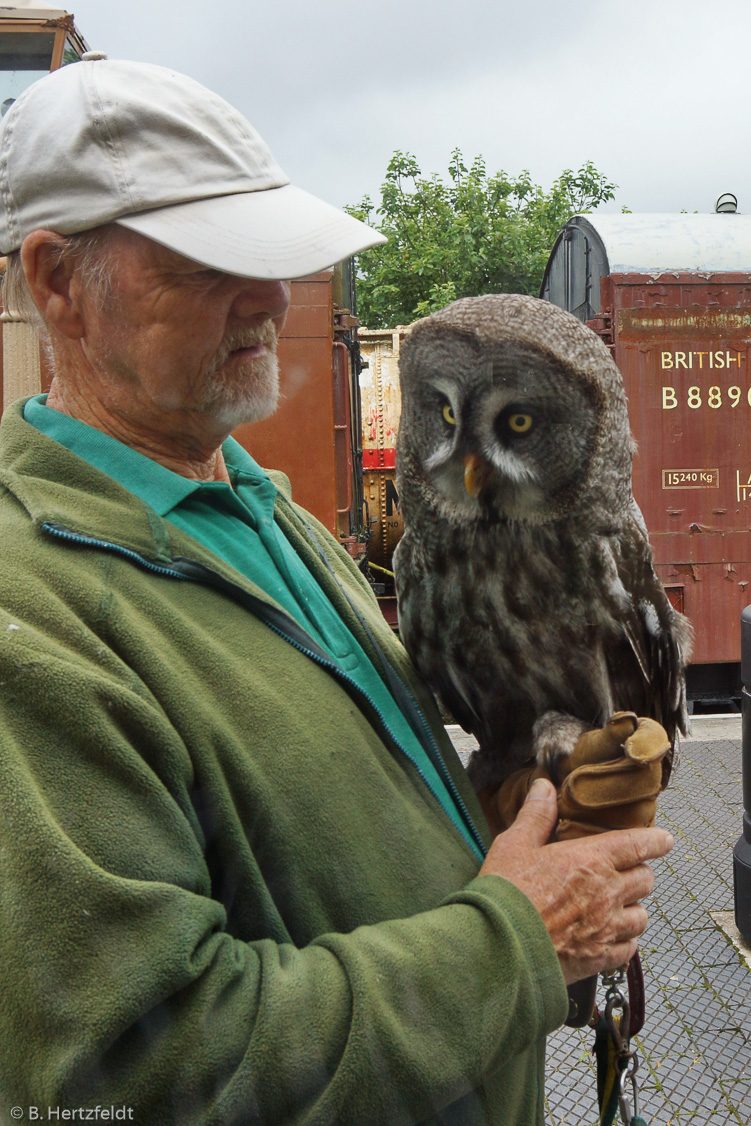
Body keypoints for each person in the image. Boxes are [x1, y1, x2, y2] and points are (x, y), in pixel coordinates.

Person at [0, 57, 672, 1125]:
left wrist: (508, 813)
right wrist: (514, 940)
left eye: (273, 260)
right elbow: (134, 1079)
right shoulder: (34, 620)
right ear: (56, 285)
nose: (271, 301)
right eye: (208, 264)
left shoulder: (264, 518)